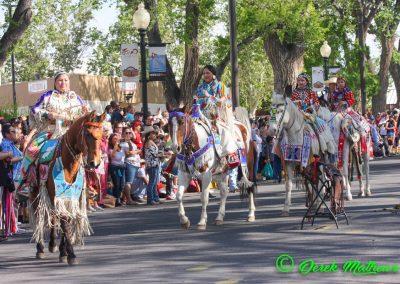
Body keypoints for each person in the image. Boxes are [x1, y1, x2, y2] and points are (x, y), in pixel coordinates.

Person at [20, 71, 86, 184]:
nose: (63, 83)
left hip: (71, 133)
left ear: (69, 82)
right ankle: (25, 182)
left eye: (66, 80)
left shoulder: (76, 98)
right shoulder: (48, 96)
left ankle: (90, 184)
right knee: (31, 151)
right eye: (60, 80)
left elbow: (85, 113)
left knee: (90, 153)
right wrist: (47, 114)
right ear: (55, 82)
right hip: (50, 132)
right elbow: (34, 110)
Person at [194, 65, 239, 170]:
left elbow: (223, 103)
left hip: (218, 117)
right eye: (204, 73)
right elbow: (196, 102)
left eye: (208, 73)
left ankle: (227, 156)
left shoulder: (221, 86)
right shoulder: (200, 87)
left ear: (213, 75)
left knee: (222, 132)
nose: (205, 75)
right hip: (201, 117)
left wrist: (210, 96)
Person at [143, 126, 162, 205]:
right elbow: (154, 154)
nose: (155, 135)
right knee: (152, 183)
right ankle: (150, 199)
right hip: (152, 164)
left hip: (154, 164)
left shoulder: (150, 142)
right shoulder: (149, 142)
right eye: (153, 133)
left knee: (154, 183)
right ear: (149, 134)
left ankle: (155, 198)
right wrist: (164, 154)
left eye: (155, 133)